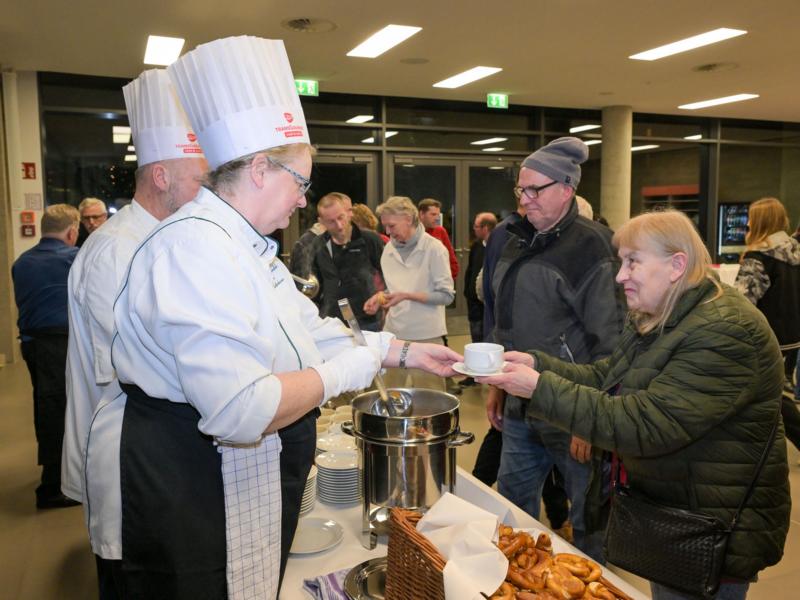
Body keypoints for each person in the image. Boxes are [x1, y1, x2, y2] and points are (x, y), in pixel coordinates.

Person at [110, 36, 459, 600]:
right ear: (257, 169)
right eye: (300, 183)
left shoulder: (244, 243)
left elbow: (308, 329)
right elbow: (240, 411)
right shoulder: (194, 250)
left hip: (234, 467)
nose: (303, 202)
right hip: (191, 474)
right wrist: (354, 369)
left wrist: (404, 352)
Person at [479, 209, 791, 600]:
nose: (619, 275)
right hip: (672, 511)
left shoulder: (726, 330)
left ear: (676, 265)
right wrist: (539, 366)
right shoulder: (661, 312)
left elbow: (645, 424)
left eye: (632, 262)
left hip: (710, 526)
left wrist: (540, 389)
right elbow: (611, 378)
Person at [61, 68, 207, 599]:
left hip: (158, 455)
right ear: (162, 176)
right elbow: (144, 364)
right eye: (200, 179)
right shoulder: (118, 249)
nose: (207, 194)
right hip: (127, 453)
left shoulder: (165, 239)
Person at [487, 137, 625, 558]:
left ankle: (592, 583)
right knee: (512, 503)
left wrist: (591, 419)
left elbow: (613, 342)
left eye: (535, 190)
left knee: (588, 518)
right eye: (520, 190)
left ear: (567, 189)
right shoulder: (515, 238)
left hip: (572, 409)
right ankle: (524, 577)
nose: (524, 200)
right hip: (521, 402)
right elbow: (505, 321)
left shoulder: (593, 247)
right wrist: (498, 382)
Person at [11, 203, 81, 509]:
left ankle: (56, 474)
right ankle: (53, 487)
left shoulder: (21, 262)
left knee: (46, 405)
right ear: (71, 231)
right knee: (60, 410)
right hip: (59, 345)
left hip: (32, 346)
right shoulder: (73, 259)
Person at [364, 196, 456, 392]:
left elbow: (446, 296)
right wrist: (380, 297)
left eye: (391, 225)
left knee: (431, 401)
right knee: (390, 398)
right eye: (385, 226)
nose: (387, 231)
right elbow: (394, 289)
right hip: (394, 335)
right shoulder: (388, 250)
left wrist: (407, 296)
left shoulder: (434, 249)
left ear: (408, 218)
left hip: (427, 336)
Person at [735, 197, 800, 451]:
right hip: (791, 337)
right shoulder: (794, 252)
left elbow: (742, 301)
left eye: (751, 217)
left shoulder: (758, 257)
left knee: (769, 395)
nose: (747, 222)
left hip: (765, 337)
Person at [311, 192, 385, 331]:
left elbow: (390, 277)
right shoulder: (317, 245)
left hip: (367, 319)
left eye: (341, 218)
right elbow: (315, 284)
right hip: (332, 321)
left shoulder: (370, 240)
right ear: (321, 222)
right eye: (331, 221)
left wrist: (381, 297)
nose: (339, 225)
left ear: (348, 213)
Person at [460, 211, 497, 387]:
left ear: (485, 228)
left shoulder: (497, 247)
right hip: (474, 303)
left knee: (488, 340)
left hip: (487, 306)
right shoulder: (476, 247)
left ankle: (489, 375)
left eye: (476, 226)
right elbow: (470, 271)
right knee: (475, 338)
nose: (473, 229)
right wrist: (467, 292)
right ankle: (475, 374)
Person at [418, 197, 459, 279]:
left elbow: (451, 260)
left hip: (439, 282)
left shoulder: (440, 231)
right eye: (433, 214)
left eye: (438, 215)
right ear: (422, 214)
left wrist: (445, 279)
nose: (437, 218)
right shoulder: (411, 233)